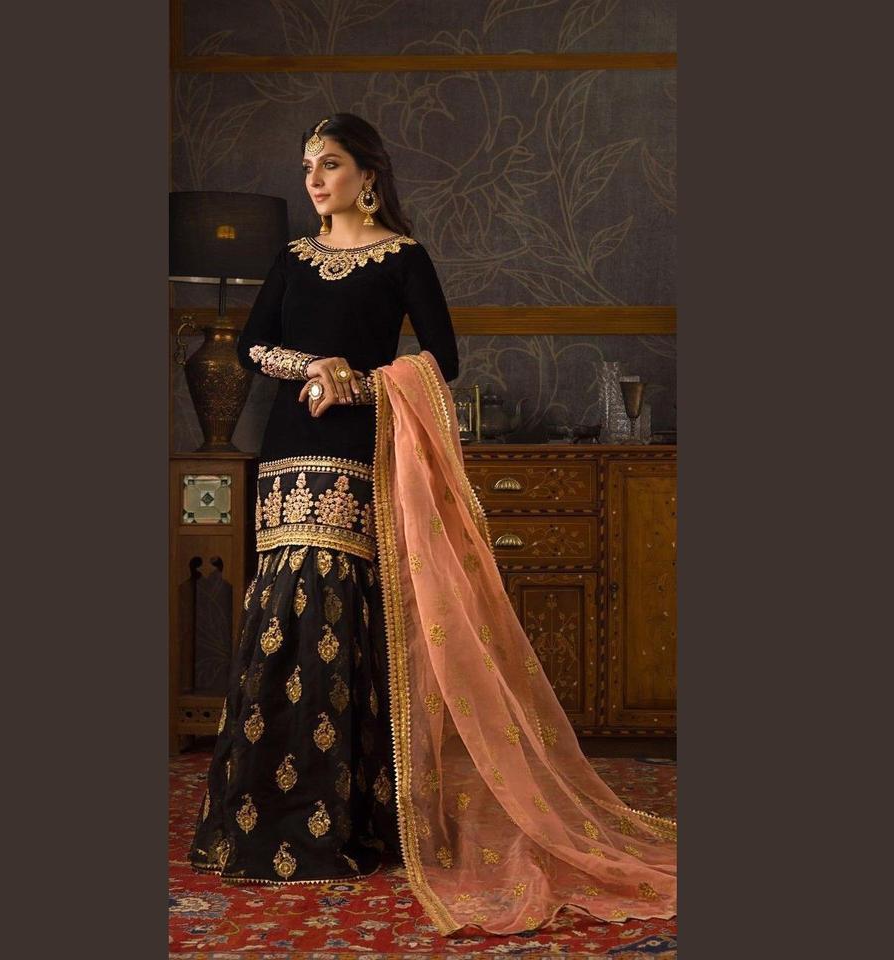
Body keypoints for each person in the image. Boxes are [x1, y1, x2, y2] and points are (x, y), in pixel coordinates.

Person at [188, 113, 677, 936]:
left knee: (339, 619)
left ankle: (349, 820)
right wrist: (314, 366)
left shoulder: (403, 258)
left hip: (359, 448)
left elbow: (440, 359)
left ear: (368, 176)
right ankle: (259, 816)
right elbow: (253, 348)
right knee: (280, 614)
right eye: (307, 167)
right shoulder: (292, 258)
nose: (315, 180)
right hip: (287, 452)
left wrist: (359, 383)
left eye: (330, 165)